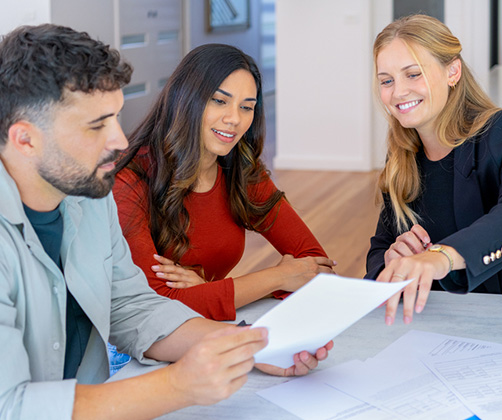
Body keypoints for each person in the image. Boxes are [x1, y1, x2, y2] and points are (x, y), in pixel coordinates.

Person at [0, 24, 333, 420]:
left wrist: (252, 345)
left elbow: (133, 307)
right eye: (97, 125)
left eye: (115, 118)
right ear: (25, 139)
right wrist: (178, 385)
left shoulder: (87, 192)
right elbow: (0, 408)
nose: (120, 141)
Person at [113, 43, 336, 321]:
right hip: (132, 348)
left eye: (247, 107)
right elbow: (157, 306)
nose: (234, 119)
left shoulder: (240, 169)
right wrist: (278, 277)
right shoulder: (129, 179)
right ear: (185, 98)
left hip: (206, 329)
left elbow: (317, 268)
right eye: (219, 101)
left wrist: (209, 292)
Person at [366, 14, 502, 325]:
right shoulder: (403, 156)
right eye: (387, 80)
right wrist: (391, 261)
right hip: (432, 326)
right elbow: (381, 245)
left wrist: (442, 257)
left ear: (452, 71)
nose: (398, 92)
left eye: (413, 74)